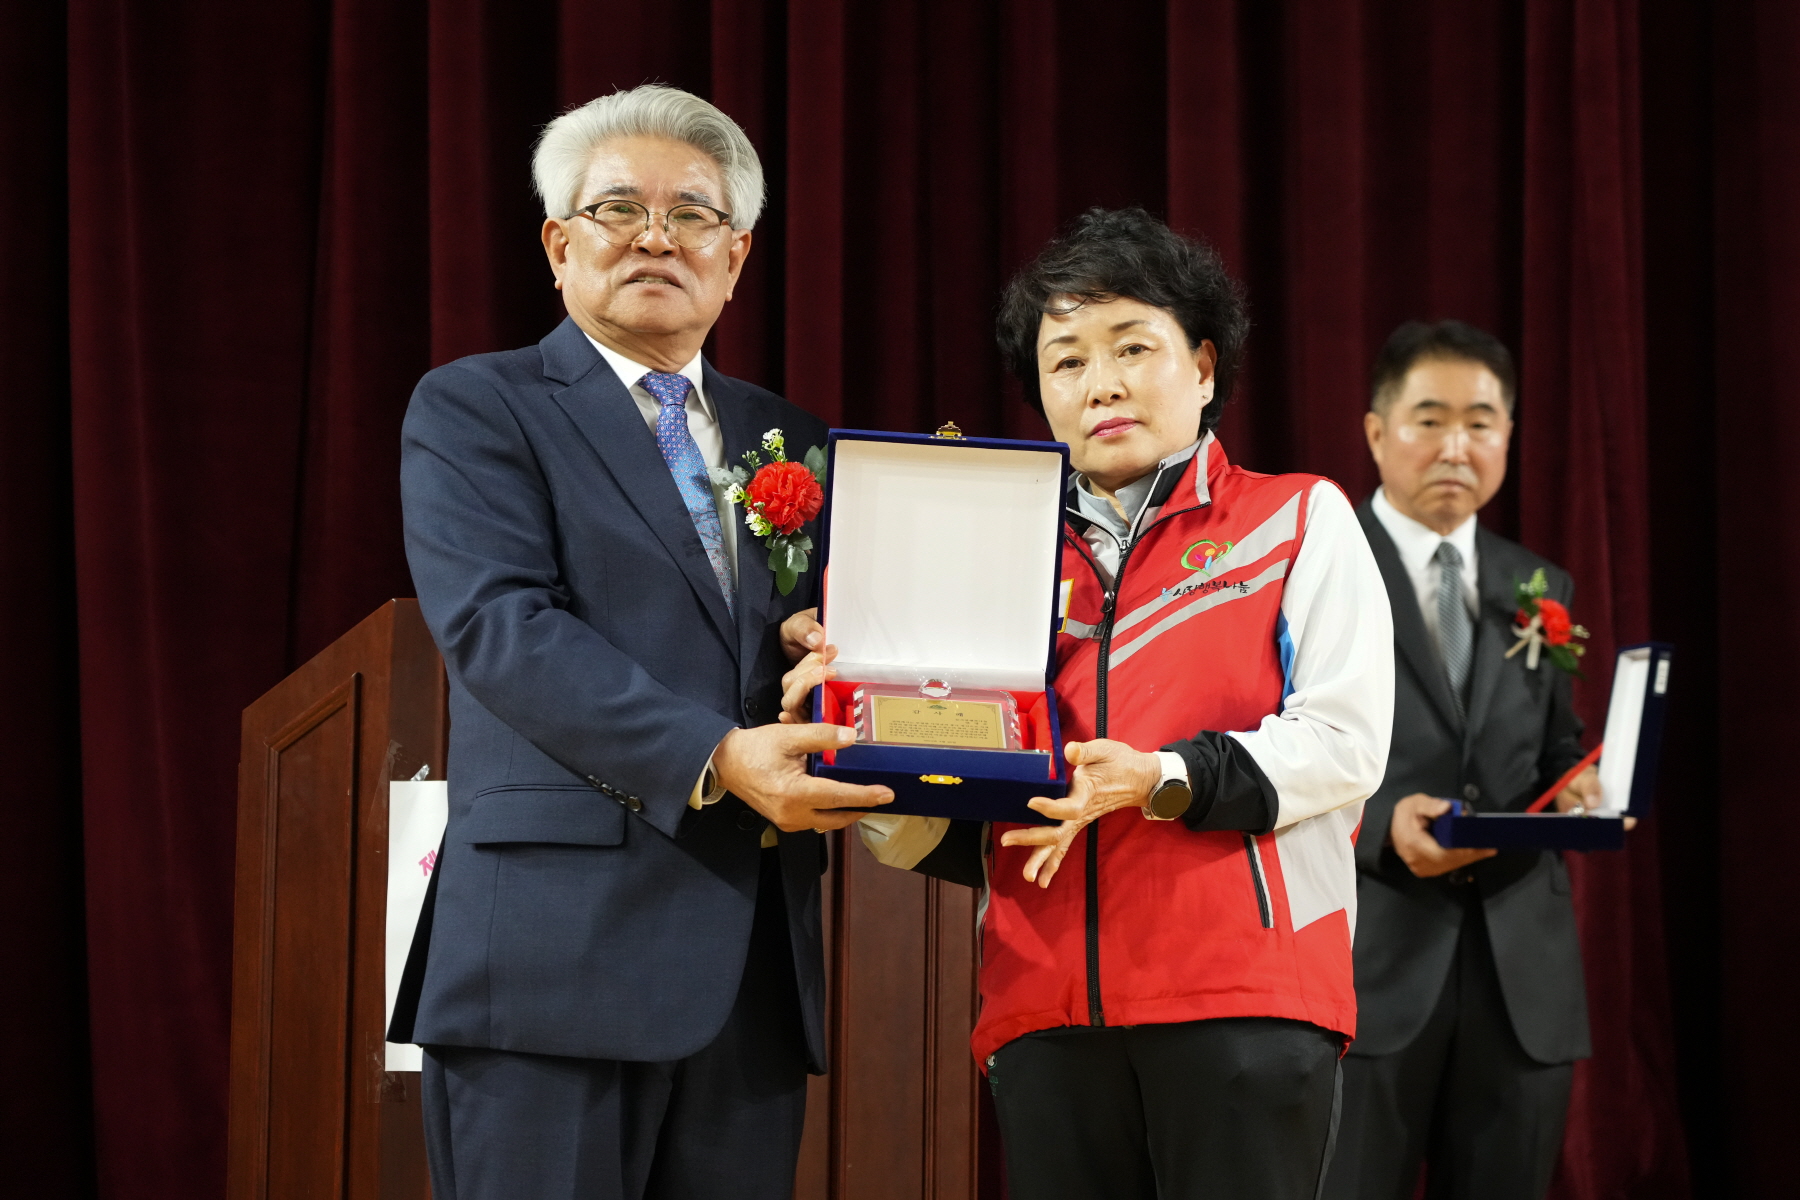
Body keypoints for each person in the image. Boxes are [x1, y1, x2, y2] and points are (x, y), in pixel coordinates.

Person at [782, 208, 1395, 1199]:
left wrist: (1161, 778)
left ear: (1202, 366)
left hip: (1244, 1000)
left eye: (1131, 347)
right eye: (1065, 361)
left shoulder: (1298, 518)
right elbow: (964, 802)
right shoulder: (992, 556)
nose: (1100, 381)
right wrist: (863, 752)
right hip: (1043, 1010)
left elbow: (1344, 741)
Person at [390, 85, 893, 1200]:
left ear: (737, 257)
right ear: (559, 245)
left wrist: (847, 660)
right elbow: (500, 630)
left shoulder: (791, 437)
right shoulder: (479, 408)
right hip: (547, 962)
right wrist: (716, 756)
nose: (657, 236)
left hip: (753, 972)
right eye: (619, 207)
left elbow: (834, 648)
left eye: (694, 215)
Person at [1321, 320, 1599, 1200]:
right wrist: (1377, 833)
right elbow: (1272, 751)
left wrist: (1581, 777)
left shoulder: (1539, 586)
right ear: (1375, 432)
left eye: (1481, 423)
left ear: (1508, 438)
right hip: (1370, 965)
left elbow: (1550, 742)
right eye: (1428, 419)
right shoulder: (1321, 569)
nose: (1455, 446)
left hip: (1522, 980)